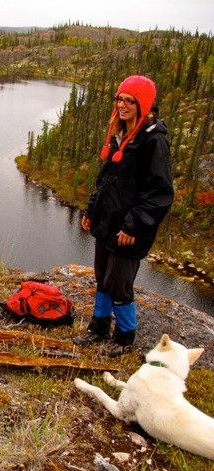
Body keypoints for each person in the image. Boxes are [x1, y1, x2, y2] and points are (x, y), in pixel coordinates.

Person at [73, 75, 174, 357]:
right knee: (103, 278)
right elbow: (105, 182)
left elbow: (160, 193)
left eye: (130, 101)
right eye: (120, 99)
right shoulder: (120, 136)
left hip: (128, 230)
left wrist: (134, 226)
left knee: (120, 284)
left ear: (144, 105)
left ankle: (124, 338)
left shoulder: (153, 142)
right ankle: (98, 328)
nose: (122, 105)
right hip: (107, 223)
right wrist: (92, 210)